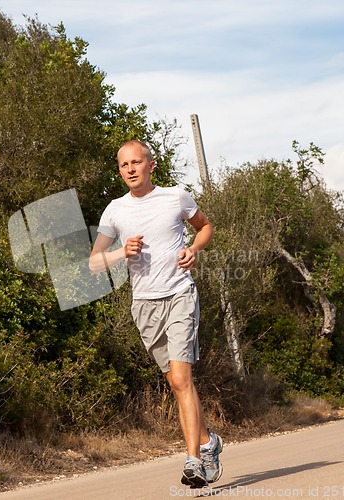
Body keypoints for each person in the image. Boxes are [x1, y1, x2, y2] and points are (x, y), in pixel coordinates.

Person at [89, 140, 223, 488]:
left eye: (136, 162)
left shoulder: (175, 197)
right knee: (178, 385)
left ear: (151, 165)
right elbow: (93, 262)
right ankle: (208, 442)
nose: (130, 169)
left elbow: (205, 226)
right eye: (123, 165)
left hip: (179, 294)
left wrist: (193, 248)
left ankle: (194, 461)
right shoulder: (114, 211)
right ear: (120, 171)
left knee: (182, 380)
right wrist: (121, 252)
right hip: (144, 306)